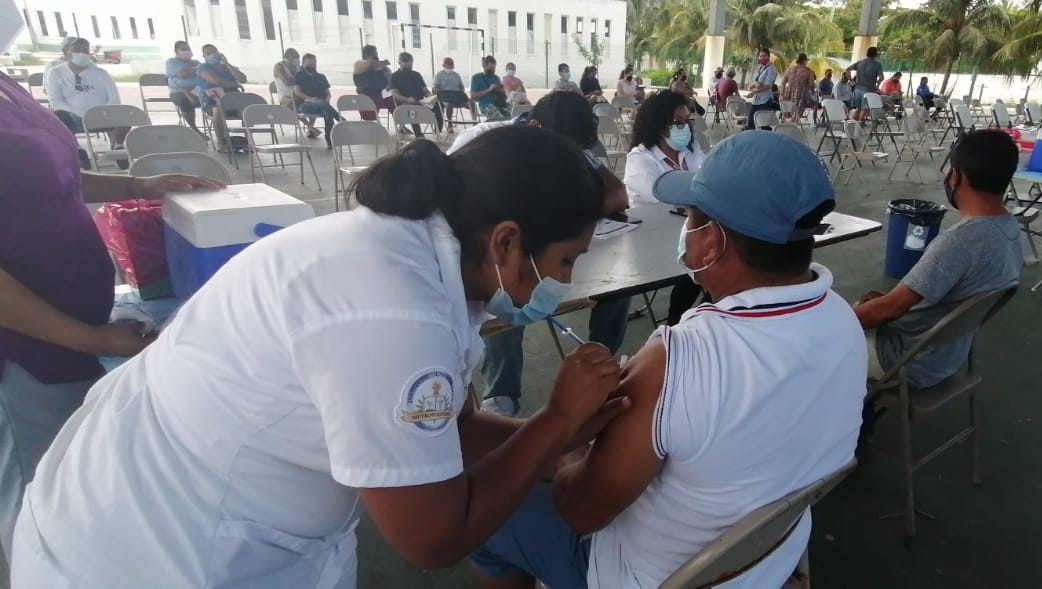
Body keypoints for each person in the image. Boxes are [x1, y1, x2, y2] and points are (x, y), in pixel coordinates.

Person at [11, 125, 627, 586]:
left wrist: (556, 437)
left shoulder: (418, 257)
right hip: (160, 552)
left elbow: (450, 433)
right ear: (506, 239)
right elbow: (433, 537)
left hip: (169, 504)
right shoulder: (390, 308)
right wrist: (553, 426)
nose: (565, 281)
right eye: (566, 260)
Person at [468, 131, 864, 589]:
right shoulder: (843, 320)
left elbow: (579, 511)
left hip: (651, 577)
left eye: (689, 217)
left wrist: (570, 444)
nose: (685, 231)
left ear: (712, 240)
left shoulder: (680, 359)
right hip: (767, 561)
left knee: (488, 518)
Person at [0, 65, 223, 565]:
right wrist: (89, 339)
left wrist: (138, 184)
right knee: (34, 497)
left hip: (69, 331)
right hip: (23, 349)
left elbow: (48, 176)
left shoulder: (8, 84)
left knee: (69, 483)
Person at [447, 92, 631, 418]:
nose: (566, 281)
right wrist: (559, 420)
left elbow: (616, 194)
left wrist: (566, 218)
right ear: (535, 127)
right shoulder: (484, 143)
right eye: (566, 263)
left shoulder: (565, 151)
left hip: (523, 243)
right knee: (509, 295)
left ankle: (604, 355)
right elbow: (456, 460)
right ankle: (501, 396)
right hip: (501, 249)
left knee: (617, 280)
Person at [853, 129, 1022, 446]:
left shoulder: (961, 242)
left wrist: (833, 323)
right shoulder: (1009, 230)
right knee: (865, 308)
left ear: (956, 176)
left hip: (908, 362)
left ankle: (839, 433)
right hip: (949, 357)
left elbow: (892, 308)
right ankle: (860, 410)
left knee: (820, 339)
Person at [622, 91, 709, 325]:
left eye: (687, 121)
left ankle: (700, 317)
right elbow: (663, 194)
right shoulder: (640, 158)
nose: (685, 127)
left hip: (687, 229)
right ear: (660, 125)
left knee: (717, 257)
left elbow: (709, 181)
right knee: (702, 260)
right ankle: (678, 324)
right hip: (654, 237)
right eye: (677, 122)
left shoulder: (691, 151)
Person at [46, 38, 127, 148]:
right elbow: (56, 102)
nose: (82, 53)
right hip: (73, 117)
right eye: (76, 50)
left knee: (127, 113)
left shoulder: (101, 74)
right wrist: (78, 112)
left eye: (85, 50)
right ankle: (76, 148)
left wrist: (101, 113)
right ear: (65, 53)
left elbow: (114, 98)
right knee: (57, 116)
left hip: (102, 117)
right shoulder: (55, 73)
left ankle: (118, 145)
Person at [196, 44, 245, 153]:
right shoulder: (203, 67)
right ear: (204, 56)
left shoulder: (226, 67)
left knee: (246, 110)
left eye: (214, 52)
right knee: (218, 109)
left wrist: (227, 64)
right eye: (208, 53)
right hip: (212, 99)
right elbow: (216, 81)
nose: (212, 55)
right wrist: (233, 84)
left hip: (233, 99)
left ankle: (247, 141)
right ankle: (221, 142)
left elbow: (242, 79)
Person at [293, 53, 344, 148]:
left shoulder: (321, 77)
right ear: (303, 64)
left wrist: (326, 101)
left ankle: (329, 137)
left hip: (322, 104)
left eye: (314, 63)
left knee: (326, 111)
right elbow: (297, 92)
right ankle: (340, 120)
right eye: (309, 64)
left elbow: (327, 93)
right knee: (323, 105)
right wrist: (311, 99)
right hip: (306, 104)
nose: (312, 66)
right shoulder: (299, 76)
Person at [390, 51, 445, 137]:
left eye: (409, 62)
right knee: (411, 109)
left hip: (420, 101)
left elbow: (424, 90)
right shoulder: (395, 76)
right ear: (399, 63)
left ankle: (438, 129)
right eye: (405, 62)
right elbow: (395, 94)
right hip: (405, 103)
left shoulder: (416, 75)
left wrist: (429, 95)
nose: (407, 64)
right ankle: (418, 133)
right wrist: (407, 99)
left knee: (437, 103)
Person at [274, 48, 320, 139]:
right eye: (294, 58)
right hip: (285, 96)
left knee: (314, 101)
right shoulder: (279, 66)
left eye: (298, 57)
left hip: (298, 94)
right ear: (287, 58)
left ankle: (310, 127)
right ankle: (310, 127)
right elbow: (287, 82)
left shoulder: (299, 68)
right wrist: (300, 78)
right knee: (292, 104)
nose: (296, 60)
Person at [164, 40, 202, 132]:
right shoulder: (171, 62)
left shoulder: (196, 62)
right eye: (183, 49)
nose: (186, 51)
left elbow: (206, 73)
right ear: (176, 51)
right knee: (186, 101)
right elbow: (183, 74)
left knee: (214, 99)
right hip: (179, 92)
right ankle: (194, 130)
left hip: (199, 90)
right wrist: (198, 69)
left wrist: (195, 69)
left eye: (188, 49)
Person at [434, 57, 472, 131]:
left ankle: (475, 121)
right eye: (448, 64)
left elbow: (461, 87)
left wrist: (461, 91)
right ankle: (450, 125)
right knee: (450, 103)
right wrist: (439, 92)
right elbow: (436, 87)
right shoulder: (439, 75)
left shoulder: (456, 75)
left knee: (471, 101)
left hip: (457, 96)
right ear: (444, 65)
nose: (449, 66)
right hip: (445, 97)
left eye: (451, 64)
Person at [745, 48, 778, 130]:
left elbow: (766, 86)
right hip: (756, 100)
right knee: (751, 122)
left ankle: (769, 138)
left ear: (769, 57)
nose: (762, 58)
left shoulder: (771, 69)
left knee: (764, 124)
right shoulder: (760, 68)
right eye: (760, 56)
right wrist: (756, 85)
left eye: (764, 56)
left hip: (765, 100)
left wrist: (754, 91)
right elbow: (754, 83)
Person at [848, 46, 884, 118]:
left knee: (858, 109)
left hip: (857, 89)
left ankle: (854, 126)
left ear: (867, 53)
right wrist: (877, 85)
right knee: (864, 110)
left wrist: (851, 80)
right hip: (869, 90)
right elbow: (881, 77)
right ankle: (860, 127)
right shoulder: (877, 65)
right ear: (875, 54)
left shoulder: (859, 63)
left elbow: (847, 70)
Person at [470, 55, 509, 120]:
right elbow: (472, 95)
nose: (492, 70)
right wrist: (489, 90)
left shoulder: (496, 78)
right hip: (485, 105)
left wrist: (498, 89)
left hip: (498, 104)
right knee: (500, 118)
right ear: (484, 66)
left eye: (494, 68)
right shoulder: (476, 77)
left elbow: (503, 92)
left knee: (513, 116)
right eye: (490, 68)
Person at [779, 52, 816, 117]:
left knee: (788, 117)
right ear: (804, 61)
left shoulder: (789, 69)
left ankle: (788, 124)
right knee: (795, 117)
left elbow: (783, 83)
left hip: (788, 95)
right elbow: (812, 85)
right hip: (800, 97)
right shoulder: (808, 71)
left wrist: (781, 95)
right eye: (806, 61)